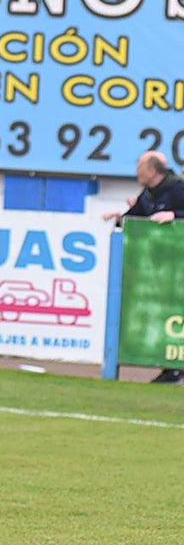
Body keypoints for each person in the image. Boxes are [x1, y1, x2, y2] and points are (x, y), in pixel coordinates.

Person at [102, 150, 184, 384]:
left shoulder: (177, 189)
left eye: (140, 164)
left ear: (152, 169)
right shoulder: (148, 193)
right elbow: (135, 216)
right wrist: (119, 218)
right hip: (156, 270)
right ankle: (170, 369)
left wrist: (174, 215)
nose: (137, 169)